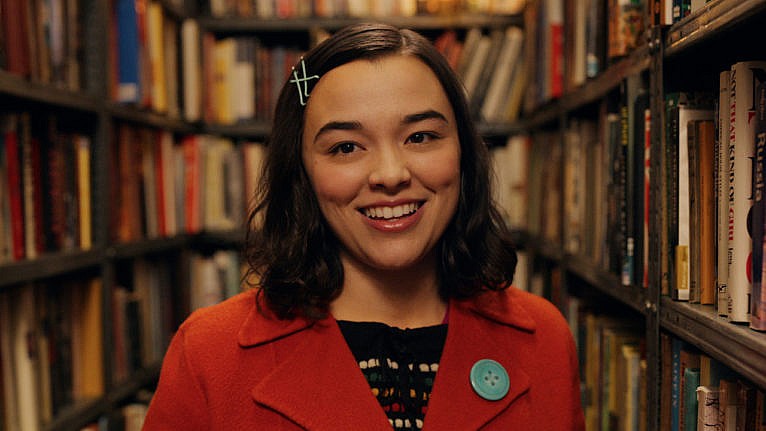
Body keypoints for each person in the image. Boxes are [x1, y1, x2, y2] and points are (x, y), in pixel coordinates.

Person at [142, 23, 585, 430]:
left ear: (464, 154)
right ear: (302, 173)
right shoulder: (208, 354)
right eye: (346, 147)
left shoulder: (544, 338)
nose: (390, 174)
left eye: (421, 137)